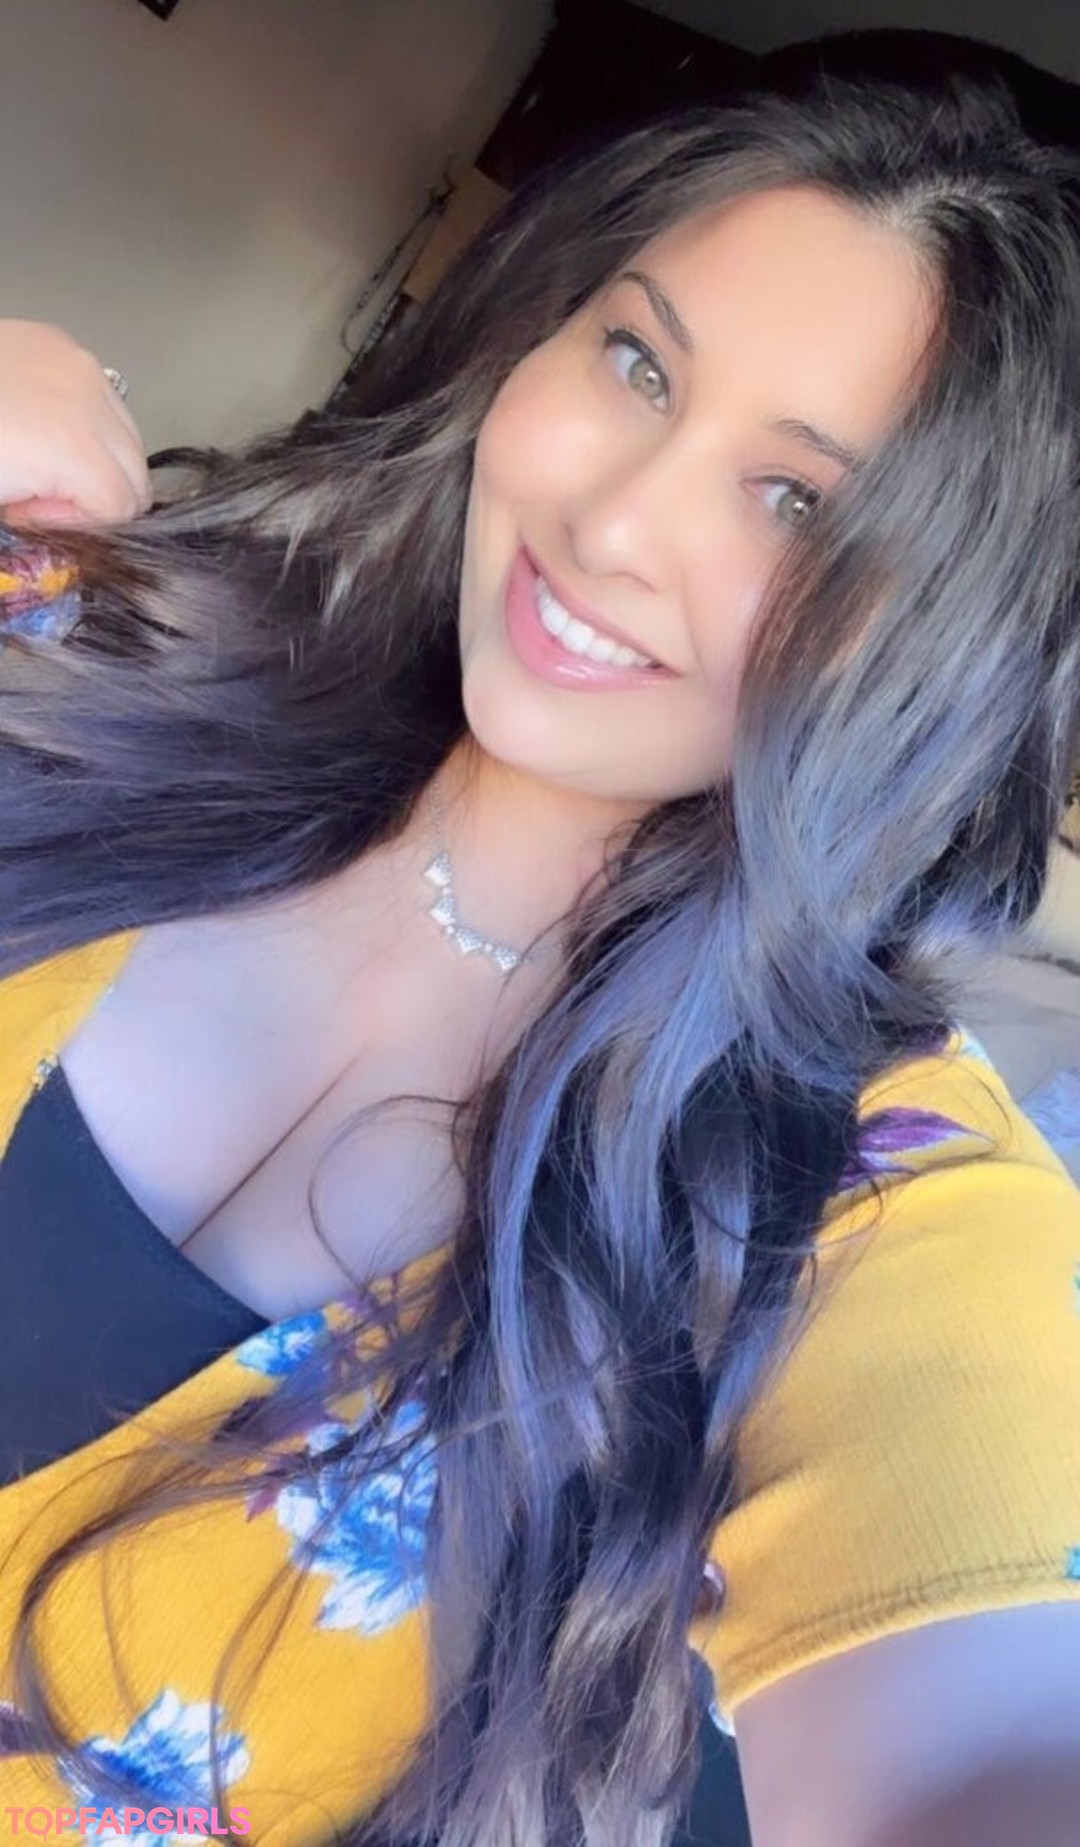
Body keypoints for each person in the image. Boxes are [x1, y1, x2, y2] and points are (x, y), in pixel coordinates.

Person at [0, 70, 1078, 1847]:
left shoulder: (870, 1200)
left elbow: (985, 1753)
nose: (614, 522)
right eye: (638, 364)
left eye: (797, 504)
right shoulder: (112, 658)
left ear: (945, 654)